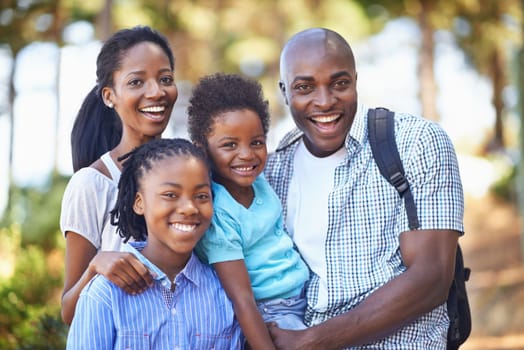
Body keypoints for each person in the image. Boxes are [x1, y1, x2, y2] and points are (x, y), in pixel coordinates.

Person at [264, 28, 465, 349]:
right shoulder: (272, 171)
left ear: (356, 80)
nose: (325, 101)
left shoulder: (415, 142)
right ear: (285, 92)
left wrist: (314, 341)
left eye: (339, 83)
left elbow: (432, 277)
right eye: (304, 87)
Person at [66, 138, 243, 349]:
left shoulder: (224, 293)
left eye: (201, 196)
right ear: (139, 203)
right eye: (170, 195)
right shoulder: (105, 294)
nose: (189, 208)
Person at [60, 25, 179, 325]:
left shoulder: (192, 171)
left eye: (165, 79)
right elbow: (68, 312)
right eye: (136, 82)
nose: (156, 92)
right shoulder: (92, 184)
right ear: (110, 95)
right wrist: (96, 267)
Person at [187, 73, 310, 350]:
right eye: (230, 145)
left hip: (304, 297)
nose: (247, 154)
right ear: (202, 151)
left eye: (256, 142)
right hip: (269, 313)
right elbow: (242, 299)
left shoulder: (259, 182)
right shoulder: (218, 214)